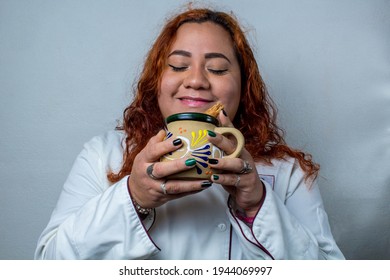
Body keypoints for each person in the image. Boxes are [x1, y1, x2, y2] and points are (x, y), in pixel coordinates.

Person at [34, 7, 344, 260]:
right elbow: (49, 264)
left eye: (219, 69)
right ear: (157, 82)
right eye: (179, 66)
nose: (196, 81)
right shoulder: (103, 155)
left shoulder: (287, 172)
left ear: (243, 86)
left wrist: (258, 206)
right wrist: (133, 197)